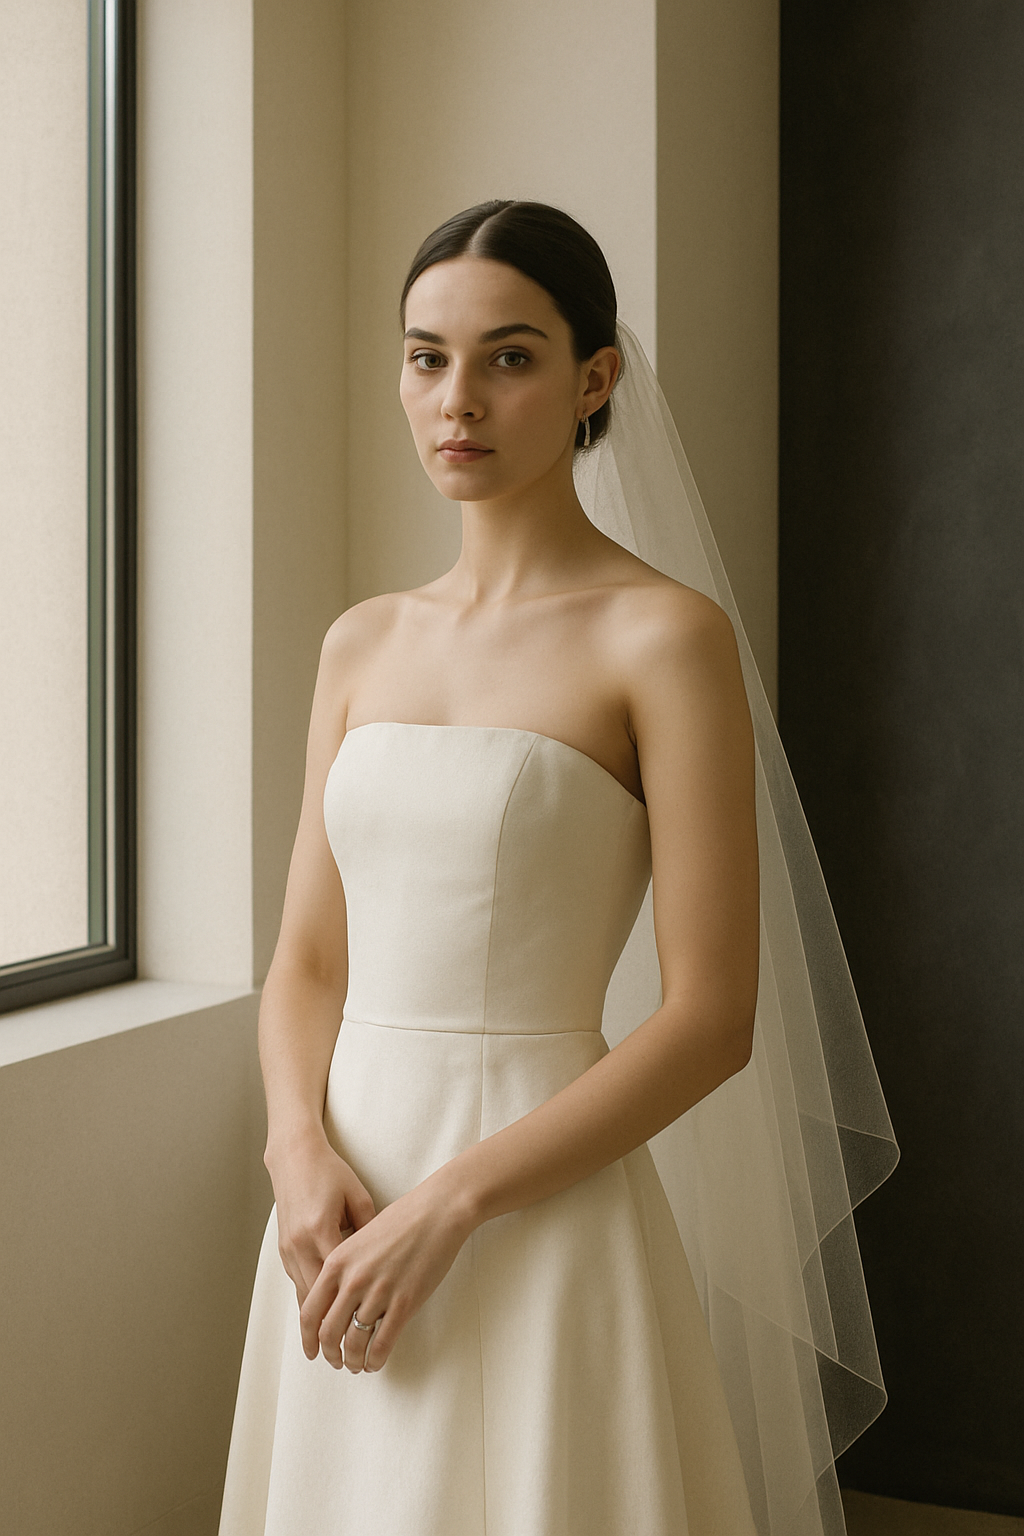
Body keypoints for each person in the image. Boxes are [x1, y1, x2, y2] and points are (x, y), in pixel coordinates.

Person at [218, 201, 896, 1536]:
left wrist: (453, 1203)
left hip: (533, 1202)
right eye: (425, 357)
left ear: (596, 378)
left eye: (508, 357)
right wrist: (296, 1150)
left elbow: (709, 1021)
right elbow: (305, 961)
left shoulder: (662, 638)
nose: (455, 399)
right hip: (337, 1203)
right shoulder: (361, 643)